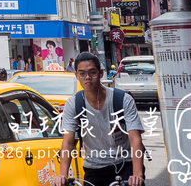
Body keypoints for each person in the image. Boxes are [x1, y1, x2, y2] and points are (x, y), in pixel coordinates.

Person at [53, 52, 145, 186]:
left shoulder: (122, 99)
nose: (87, 78)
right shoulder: (73, 104)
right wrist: (62, 175)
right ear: (76, 76)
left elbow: (135, 139)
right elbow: (68, 142)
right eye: (82, 73)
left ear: (101, 73)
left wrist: (137, 174)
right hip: (94, 168)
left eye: (92, 72)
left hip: (125, 164)